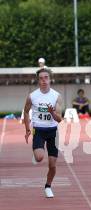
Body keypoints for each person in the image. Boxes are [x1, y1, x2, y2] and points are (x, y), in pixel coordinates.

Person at [23, 68, 63, 198]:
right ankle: (37, 151)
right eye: (41, 78)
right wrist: (27, 128)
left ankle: (48, 186)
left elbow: (59, 119)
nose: (44, 80)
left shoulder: (56, 96)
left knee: (52, 165)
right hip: (39, 130)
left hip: (52, 131)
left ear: (50, 79)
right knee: (39, 158)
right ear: (38, 80)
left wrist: (52, 113)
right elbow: (26, 111)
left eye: (46, 77)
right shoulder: (32, 96)